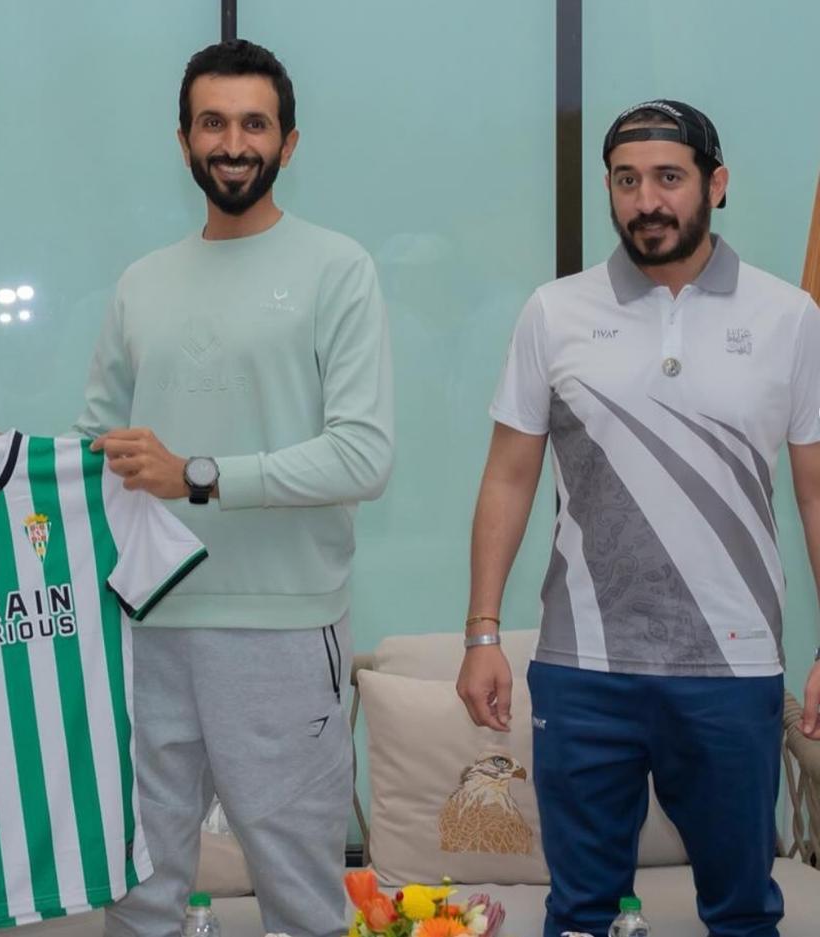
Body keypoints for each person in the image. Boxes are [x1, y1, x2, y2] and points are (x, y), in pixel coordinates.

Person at [456, 99, 820, 937]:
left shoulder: (788, 317)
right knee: (581, 912)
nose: (646, 200)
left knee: (741, 912)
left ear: (715, 185)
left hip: (733, 672)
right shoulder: (555, 311)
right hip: (583, 669)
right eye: (626, 181)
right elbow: (508, 478)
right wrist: (482, 632)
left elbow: (812, 492)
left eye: (668, 178)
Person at [81, 39, 392, 937]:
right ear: (183, 139)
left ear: (288, 143)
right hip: (144, 625)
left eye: (254, 123)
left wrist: (200, 476)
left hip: (286, 634)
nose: (233, 141)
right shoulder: (142, 282)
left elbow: (364, 457)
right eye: (212, 122)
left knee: (301, 898)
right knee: (140, 895)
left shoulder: (339, 268)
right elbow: (95, 442)